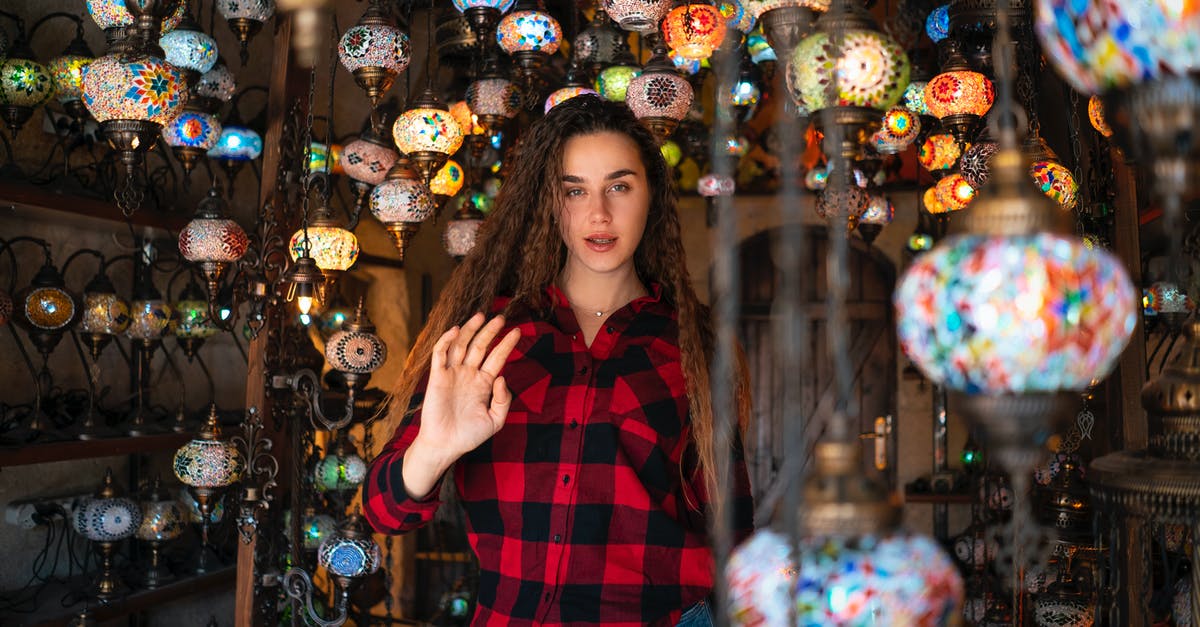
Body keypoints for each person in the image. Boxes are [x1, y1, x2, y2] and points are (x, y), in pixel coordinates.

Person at [363, 95, 754, 627]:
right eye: (575, 190)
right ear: (550, 200)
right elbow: (385, 511)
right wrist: (432, 449)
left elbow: (733, 532)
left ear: (651, 196)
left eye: (619, 186)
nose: (599, 213)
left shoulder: (693, 345)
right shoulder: (489, 338)